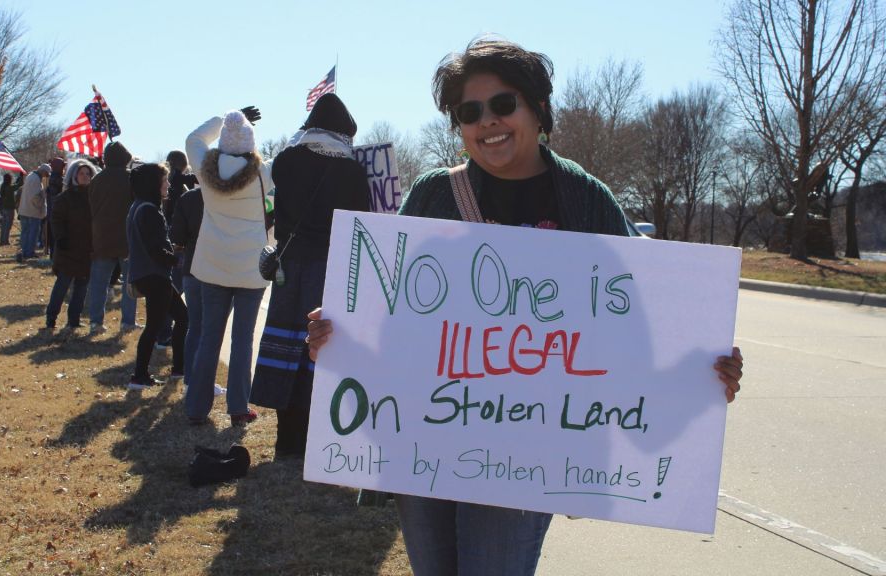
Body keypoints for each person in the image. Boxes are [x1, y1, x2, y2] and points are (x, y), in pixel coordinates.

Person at [305, 38, 746, 576]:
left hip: (522, 451)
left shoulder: (584, 199)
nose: (487, 121)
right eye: (469, 112)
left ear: (538, 108)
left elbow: (649, 312)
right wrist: (338, 338)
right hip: (423, 435)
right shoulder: (432, 196)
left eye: (503, 104)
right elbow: (384, 313)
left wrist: (701, 370)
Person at [249, 94, 370, 457]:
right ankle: (318, 444)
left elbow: (274, 205)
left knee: (285, 347)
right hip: (332, 267)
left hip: (290, 265)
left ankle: (285, 439)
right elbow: (363, 218)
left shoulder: (286, 159)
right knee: (323, 349)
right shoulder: (351, 169)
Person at [183, 107, 269, 427]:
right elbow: (293, 149)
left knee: (209, 337)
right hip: (250, 268)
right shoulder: (263, 173)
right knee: (242, 341)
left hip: (212, 265)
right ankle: (237, 407)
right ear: (250, 143)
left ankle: (196, 408)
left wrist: (223, 119)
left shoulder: (205, 168)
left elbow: (193, 138)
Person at [168, 159, 229, 401]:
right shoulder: (227, 198)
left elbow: (177, 236)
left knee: (195, 326)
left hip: (193, 266)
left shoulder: (188, 198)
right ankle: (202, 382)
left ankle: (191, 381)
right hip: (218, 269)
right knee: (211, 330)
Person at [126, 162, 187, 389]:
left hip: (148, 274)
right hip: (154, 276)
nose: (168, 185)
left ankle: (178, 368)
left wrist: (171, 250)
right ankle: (139, 376)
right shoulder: (150, 210)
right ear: (154, 184)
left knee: (181, 317)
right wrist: (176, 258)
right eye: (165, 180)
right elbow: (156, 250)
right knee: (154, 326)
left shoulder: (138, 206)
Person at [87, 142, 138, 334]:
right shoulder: (131, 179)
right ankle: (127, 322)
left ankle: (95, 322)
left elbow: (90, 206)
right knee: (129, 283)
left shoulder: (97, 180)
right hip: (126, 238)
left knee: (99, 283)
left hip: (101, 236)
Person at [155, 150, 201, 349]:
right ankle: (165, 334)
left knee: (171, 293)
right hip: (181, 244)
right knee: (174, 294)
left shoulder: (169, 181)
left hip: (175, 239)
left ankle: (164, 334)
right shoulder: (179, 180)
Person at [45, 160, 96, 331]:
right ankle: (51, 318)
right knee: (62, 285)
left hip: (87, 249)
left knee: (81, 288)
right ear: (74, 175)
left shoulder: (94, 197)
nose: (85, 177)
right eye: (81, 173)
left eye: (88, 174)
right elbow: (56, 219)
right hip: (68, 248)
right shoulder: (65, 197)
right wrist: (61, 238)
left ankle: (73, 319)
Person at [18, 164, 51, 262]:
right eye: (46, 174)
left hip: (24, 210)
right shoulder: (36, 179)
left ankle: (24, 251)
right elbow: (36, 197)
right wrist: (43, 196)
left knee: (25, 232)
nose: (46, 176)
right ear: (43, 171)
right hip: (32, 211)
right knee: (33, 233)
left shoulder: (30, 176)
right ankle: (29, 252)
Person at [44, 157, 66, 259]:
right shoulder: (57, 180)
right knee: (55, 236)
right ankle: (54, 256)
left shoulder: (53, 178)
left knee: (53, 236)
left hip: (52, 212)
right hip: (56, 213)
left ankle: (53, 255)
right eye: (63, 166)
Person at [0, 173, 19, 245]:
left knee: (3, 225)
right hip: (9, 209)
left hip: (3, 208)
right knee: (8, 226)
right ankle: (5, 240)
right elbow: (17, 186)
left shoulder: (3, 186)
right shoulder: (9, 187)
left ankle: (1, 240)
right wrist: (21, 178)